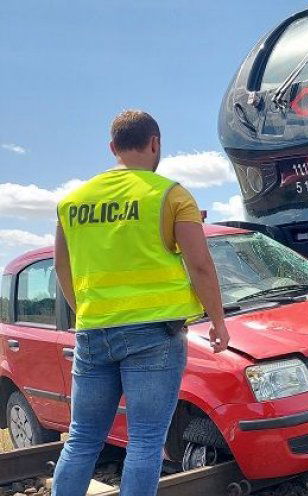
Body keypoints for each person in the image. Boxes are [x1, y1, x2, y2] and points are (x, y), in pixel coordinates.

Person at [51, 110, 231, 496]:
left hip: (93, 332)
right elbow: (200, 265)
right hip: (154, 336)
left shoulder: (72, 203)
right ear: (155, 143)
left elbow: (62, 271)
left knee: (82, 439)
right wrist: (218, 320)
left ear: (112, 148)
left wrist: (87, 313)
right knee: (146, 442)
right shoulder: (170, 194)